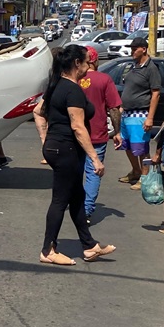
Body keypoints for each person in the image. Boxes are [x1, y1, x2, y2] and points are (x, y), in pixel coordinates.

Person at [38, 44, 116, 266]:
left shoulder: (56, 85)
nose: (89, 65)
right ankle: (48, 250)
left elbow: (39, 112)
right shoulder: (71, 90)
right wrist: (95, 158)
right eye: (86, 61)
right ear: (76, 64)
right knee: (60, 200)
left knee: (77, 197)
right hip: (66, 149)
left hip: (57, 147)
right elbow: (78, 127)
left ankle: (89, 246)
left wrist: (46, 140)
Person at [79, 46, 122, 223]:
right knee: (93, 172)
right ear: (95, 61)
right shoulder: (104, 80)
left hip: (74, 133)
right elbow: (114, 108)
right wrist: (117, 132)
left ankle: (75, 204)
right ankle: (86, 210)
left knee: (75, 171)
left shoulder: (73, 79)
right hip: (97, 133)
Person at [118, 37, 161, 190]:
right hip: (127, 113)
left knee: (141, 148)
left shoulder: (151, 68)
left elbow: (155, 93)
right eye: (131, 48)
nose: (132, 51)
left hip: (140, 114)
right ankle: (135, 171)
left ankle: (144, 176)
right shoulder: (134, 66)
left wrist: (150, 118)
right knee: (127, 146)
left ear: (143, 48)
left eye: (135, 48)